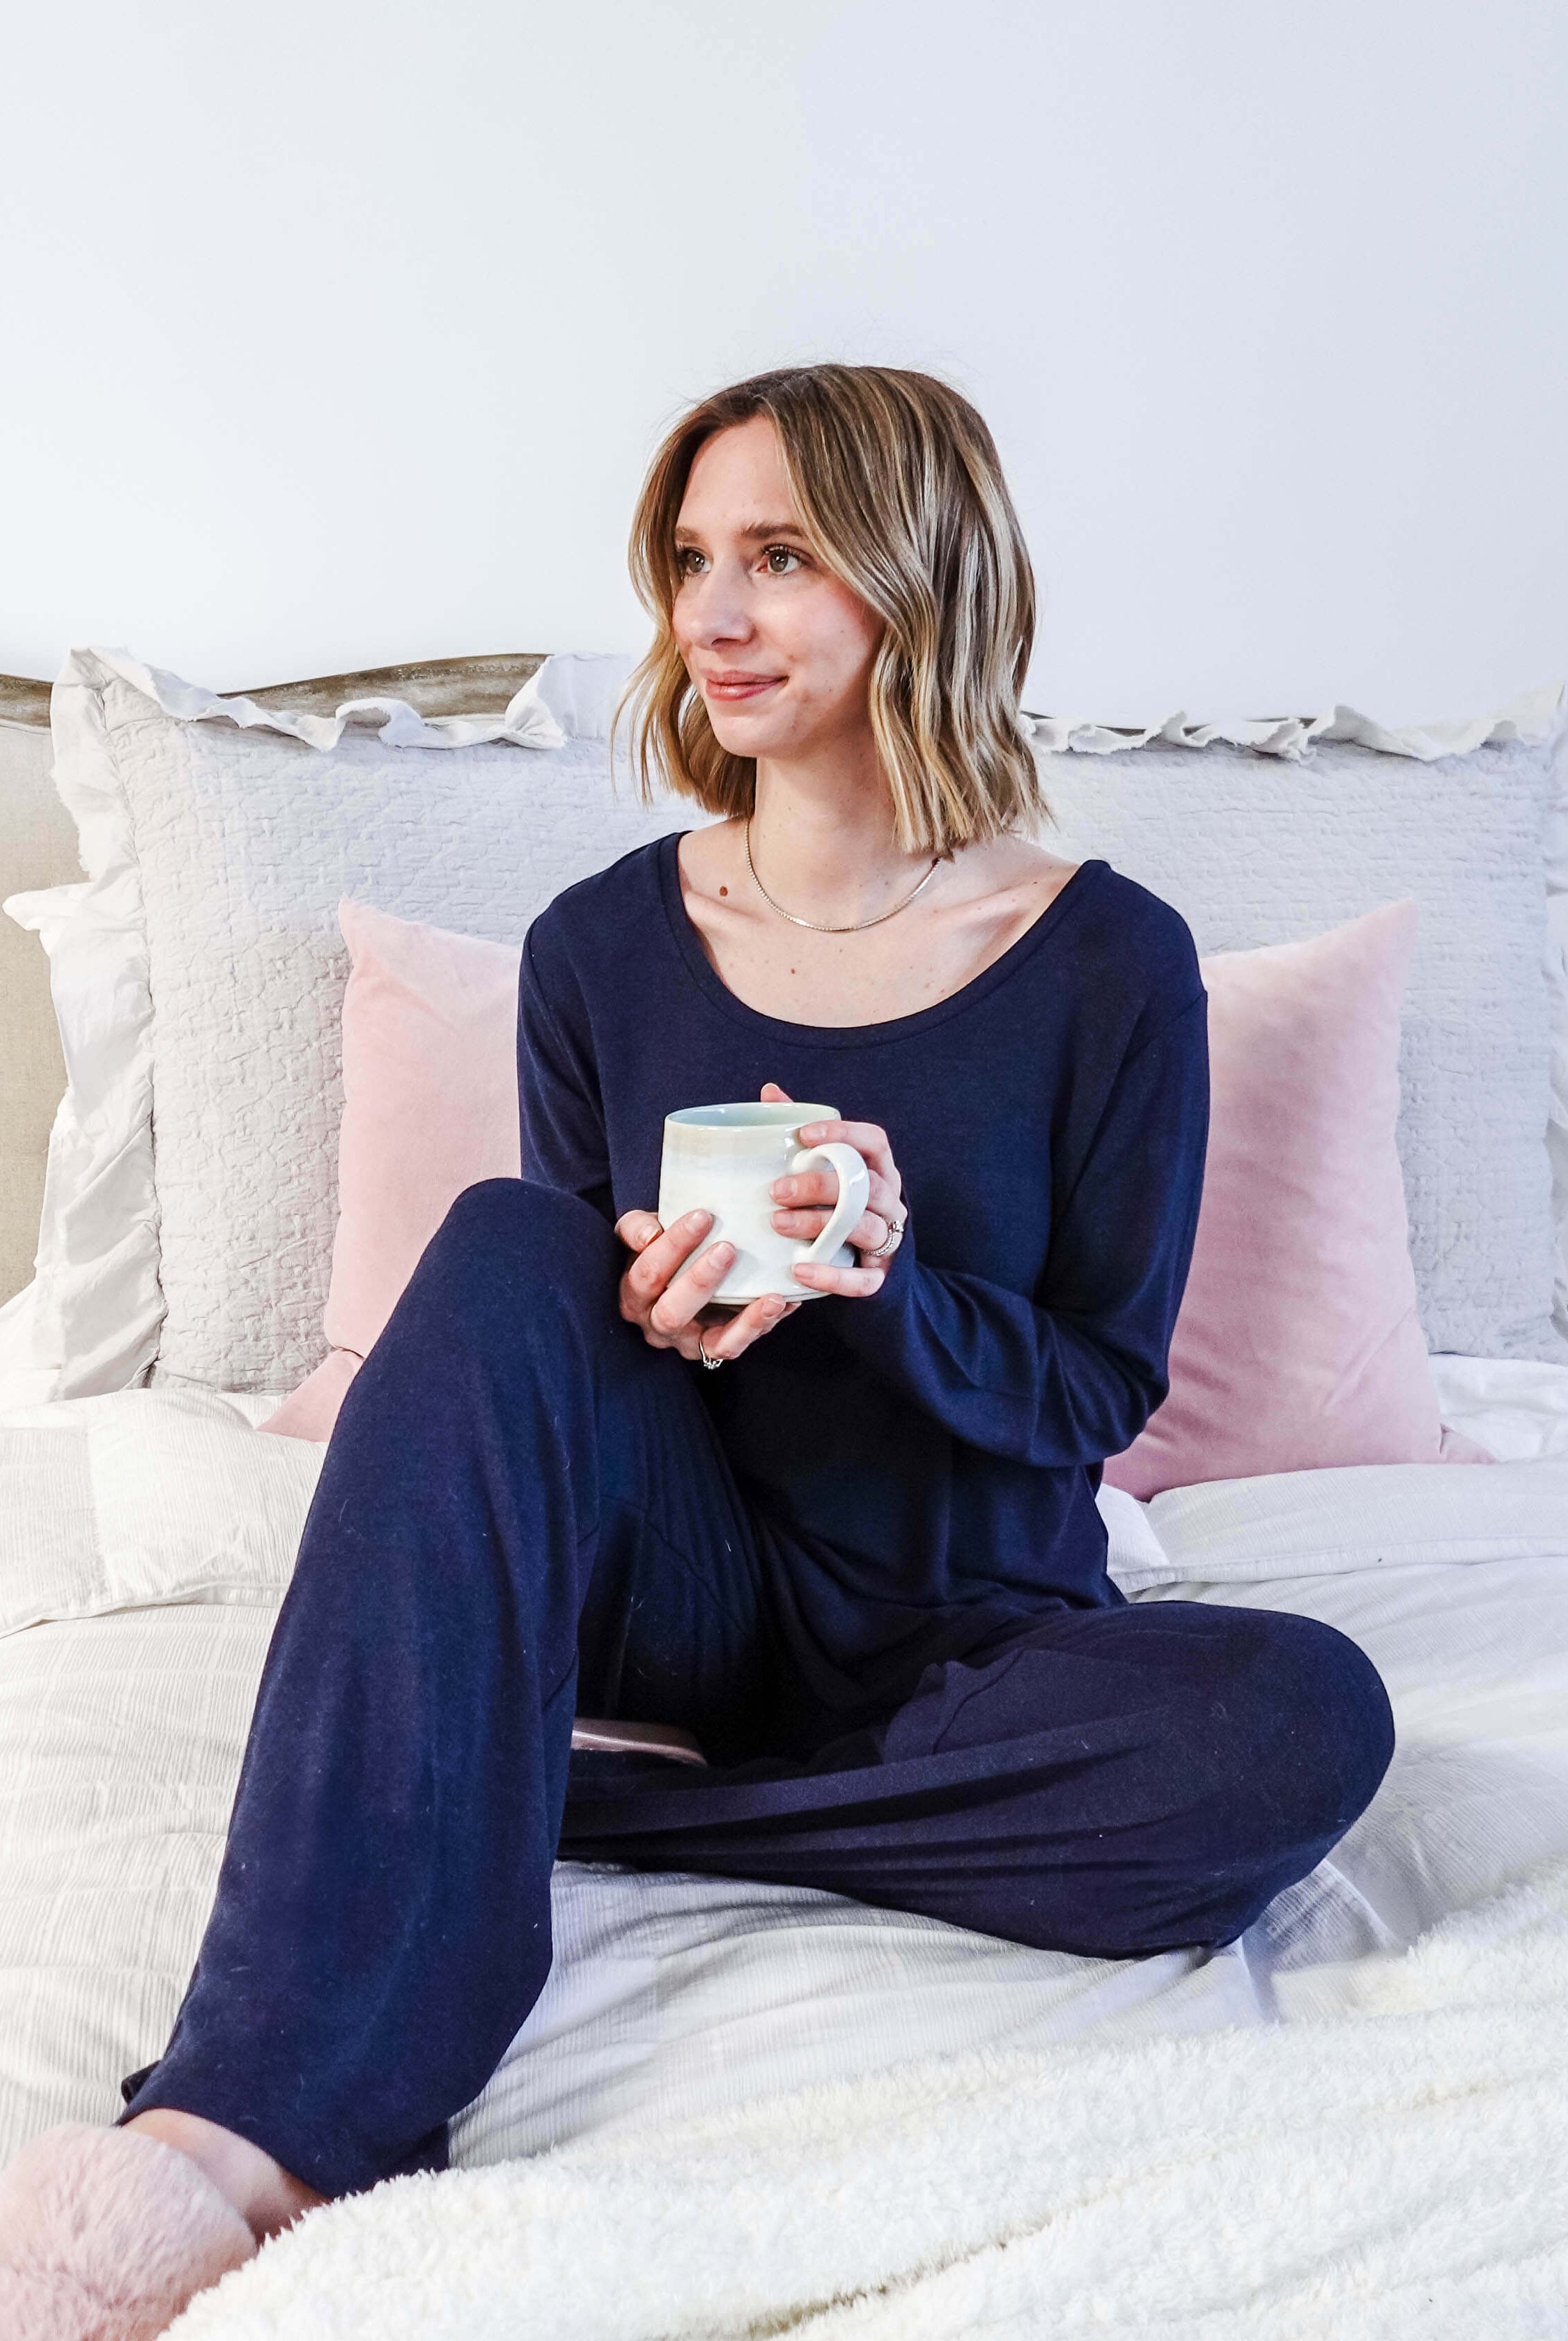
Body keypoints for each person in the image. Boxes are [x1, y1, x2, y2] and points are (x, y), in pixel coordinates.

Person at [0, 364, 1396, 2338]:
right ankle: (259, 2119)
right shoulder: (595, 947)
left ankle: (550, 1802)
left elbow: (1096, 1391)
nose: (708, 619)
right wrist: (643, 1297)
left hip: (968, 1628)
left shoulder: (1107, 960)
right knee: (504, 1241)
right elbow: (555, 1350)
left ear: (921, 580)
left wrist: (883, 1282)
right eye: (687, 563)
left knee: (1300, 1720)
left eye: (779, 559)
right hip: (690, 1588)